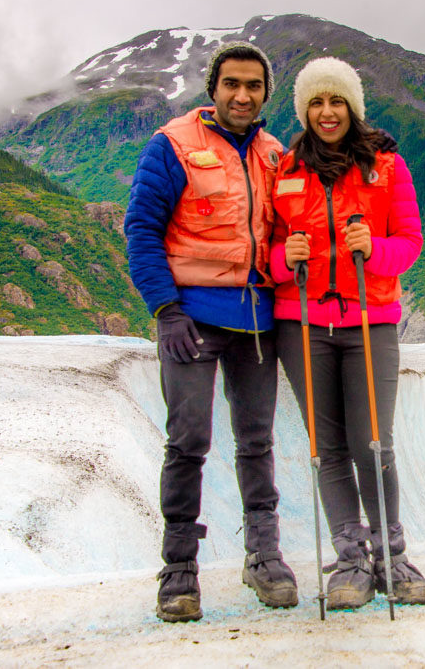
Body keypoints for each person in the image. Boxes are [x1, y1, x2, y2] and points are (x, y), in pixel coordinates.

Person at [124, 41, 297, 622]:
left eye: (253, 86)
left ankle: (263, 556)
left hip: (256, 321)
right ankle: (179, 568)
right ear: (213, 89)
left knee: (257, 442)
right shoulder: (172, 145)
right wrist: (165, 310)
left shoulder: (275, 154)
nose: (242, 96)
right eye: (231, 85)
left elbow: (285, 230)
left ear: (265, 93)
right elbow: (142, 230)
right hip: (192, 320)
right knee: (188, 442)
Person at [270, 56, 425, 609]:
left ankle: (391, 553)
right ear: (304, 110)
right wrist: (279, 256)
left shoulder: (387, 167)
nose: (326, 112)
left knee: (373, 442)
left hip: (369, 316)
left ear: (353, 107)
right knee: (329, 447)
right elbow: (266, 245)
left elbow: (409, 241)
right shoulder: (286, 167)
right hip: (303, 320)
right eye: (316, 102)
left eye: (336, 100)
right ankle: (351, 559)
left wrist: (375, 250)